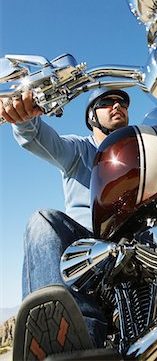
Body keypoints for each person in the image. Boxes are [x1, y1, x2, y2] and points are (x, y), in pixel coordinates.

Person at [0, 87, 130, 359]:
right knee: (42, 221)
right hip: (88, 255)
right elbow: (37, 137)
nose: (117, 105)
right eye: (107, 102)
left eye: (122, 102)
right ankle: (73, 339)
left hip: (135, 252)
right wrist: (25, 118)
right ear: (92, 117)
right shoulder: (79, 150)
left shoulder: (140, 150)